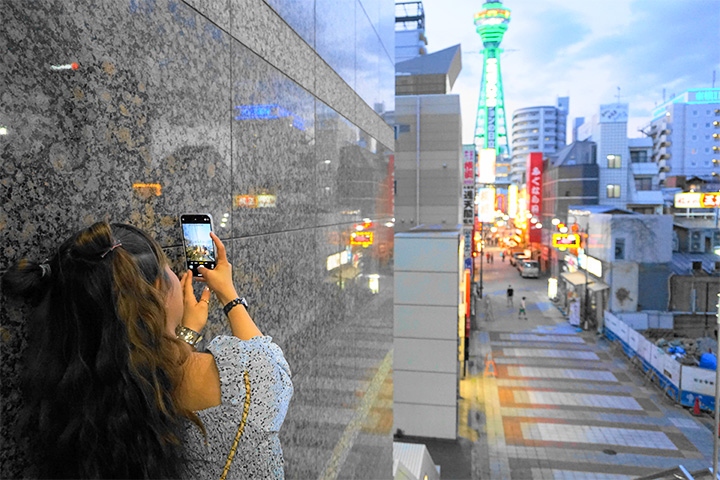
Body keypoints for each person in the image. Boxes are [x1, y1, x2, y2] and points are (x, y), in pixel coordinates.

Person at [2, 222, 293, 479]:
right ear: (157, 288)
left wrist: (182, 335)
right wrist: (228, 294)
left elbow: (143, 365)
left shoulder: (77, 404)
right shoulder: (249, 381)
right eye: (167, 268)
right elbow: (268, 366)